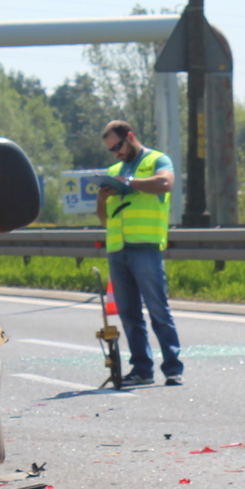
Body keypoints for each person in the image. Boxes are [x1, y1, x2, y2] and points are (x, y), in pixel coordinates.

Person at [96, 119, 183, 386]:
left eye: (118, 146)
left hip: (145, 246)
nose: (116, 153)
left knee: (158, 310)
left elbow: (166, 183)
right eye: (111, 150)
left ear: (130, 136)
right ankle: (142, 370)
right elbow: (103, 219)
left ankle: (172, 367)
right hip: (118, 249)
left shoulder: (158, 160)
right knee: (129, 314)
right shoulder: (114, 170)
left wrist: (130, 182)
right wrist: (102, 196)